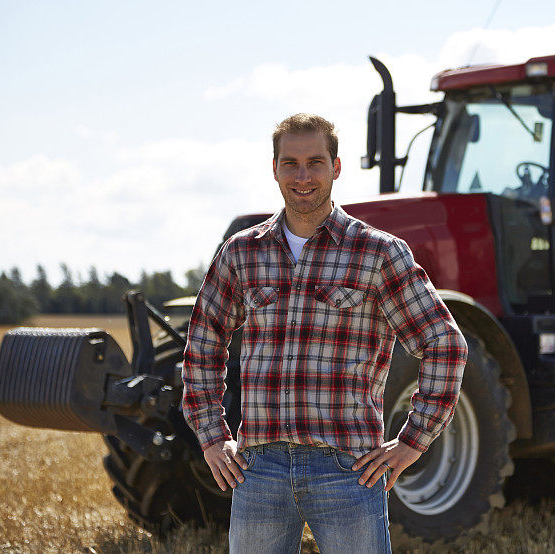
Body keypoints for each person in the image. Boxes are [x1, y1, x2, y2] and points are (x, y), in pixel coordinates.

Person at [181, 113, 468, 553]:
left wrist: (412, 442)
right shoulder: (241, 252)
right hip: (258, 468)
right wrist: (211, 436)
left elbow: (445, 344)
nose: (303, 176)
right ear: (273, 168)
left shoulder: (378, 253)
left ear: (336, 167)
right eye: (290, 163)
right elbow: (203, 343)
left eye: (315, 162)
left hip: (347, 468)